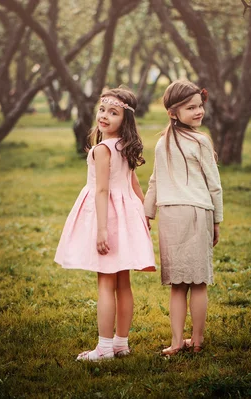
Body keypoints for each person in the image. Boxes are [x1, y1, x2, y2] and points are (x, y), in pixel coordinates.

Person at [54, 88, 156, 361]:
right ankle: (121, 343)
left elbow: (101, 190)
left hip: (108, 217)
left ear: (126, 119)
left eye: (114, 112)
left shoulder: (102, 149)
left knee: (105, 283)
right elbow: (134, 183)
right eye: (102, 110)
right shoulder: (125, 145)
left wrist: (101, 229)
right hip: (126, 216)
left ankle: (105, 348)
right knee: (123, 283)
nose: (105, 116)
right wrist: (143, 212)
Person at [144, 80, 223, 356]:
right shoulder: (200, 142)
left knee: (178, 284)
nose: (198, 111)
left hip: (169, 215)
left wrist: (148, 213)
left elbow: (154, 183)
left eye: (200, 106)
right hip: (196, 213)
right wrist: (217, 220)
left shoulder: (161, 143)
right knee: (198, 282)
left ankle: (178, 342)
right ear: (173, 113)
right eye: (191, 108)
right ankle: (196, 341)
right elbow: (214, 185)